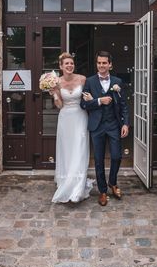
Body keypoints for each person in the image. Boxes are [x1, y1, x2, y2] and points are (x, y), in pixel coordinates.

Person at [80, 51, 130, 207]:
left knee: (116, 156)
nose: (101, 65)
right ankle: (102, 191)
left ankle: (112, 183)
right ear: (97, 64)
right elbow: (83, 104)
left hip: (114, 124)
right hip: (97, 126)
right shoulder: (89, 82)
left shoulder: (117, 82)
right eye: (99, 63)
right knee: (99, 160)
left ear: (110, 64)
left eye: (104, 63)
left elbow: (124, 106)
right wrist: (99, 101)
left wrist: (125, 123)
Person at [50, 53, 93, 203]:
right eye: (66, 63)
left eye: (71, 63)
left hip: (80, 117)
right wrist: (55, 95)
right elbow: (60, 105)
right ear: (61, 66)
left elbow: (88, 98)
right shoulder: (56, 82)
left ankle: (78, 187)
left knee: (79, 148)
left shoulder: (82, 79)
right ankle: (65, 182)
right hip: (65, 118)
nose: (69, 66)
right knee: (66, 149)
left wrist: (89, 99)